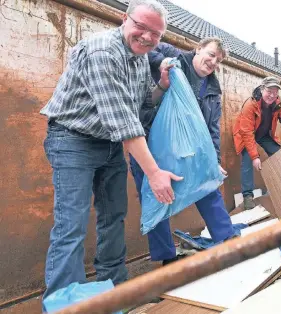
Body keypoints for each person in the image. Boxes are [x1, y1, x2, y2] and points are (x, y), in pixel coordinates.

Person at [39, 0, 181, 299]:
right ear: (123, 19)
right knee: (71, 226)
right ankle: (66, 303)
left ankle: (115, 293)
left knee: (114, 217)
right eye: (141, 26)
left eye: (155, 33)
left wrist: (162, 87)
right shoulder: (103, 51)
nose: (146, 36)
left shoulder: (140, 57)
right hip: (72, 140)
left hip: (110, 143)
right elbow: (125, 124)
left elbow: (141, 107)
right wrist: (154, 173)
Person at [129, 37, 237, 265]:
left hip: (192, 149)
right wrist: (164, 64)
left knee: (208, 188)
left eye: (217, 61)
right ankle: (166, 257)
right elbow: (147, 47)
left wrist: (214, 161)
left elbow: (212, 129)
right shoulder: (176, 57)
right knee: (156, 195)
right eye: (210, 55)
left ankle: (228, 240)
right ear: (197, 49)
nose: (212, 62)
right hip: (152, 144)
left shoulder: (213, 90)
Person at [233, 77, 281, 211]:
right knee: (248, 161)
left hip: (264, 135)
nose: (272, 95)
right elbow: (246, 132)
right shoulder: (250, 105)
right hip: (246, 135)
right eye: (269, 91)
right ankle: (247, 196)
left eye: (275, 92)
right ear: (262, 89)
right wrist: (255, 157)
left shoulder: (278, 103)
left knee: (279, 154)